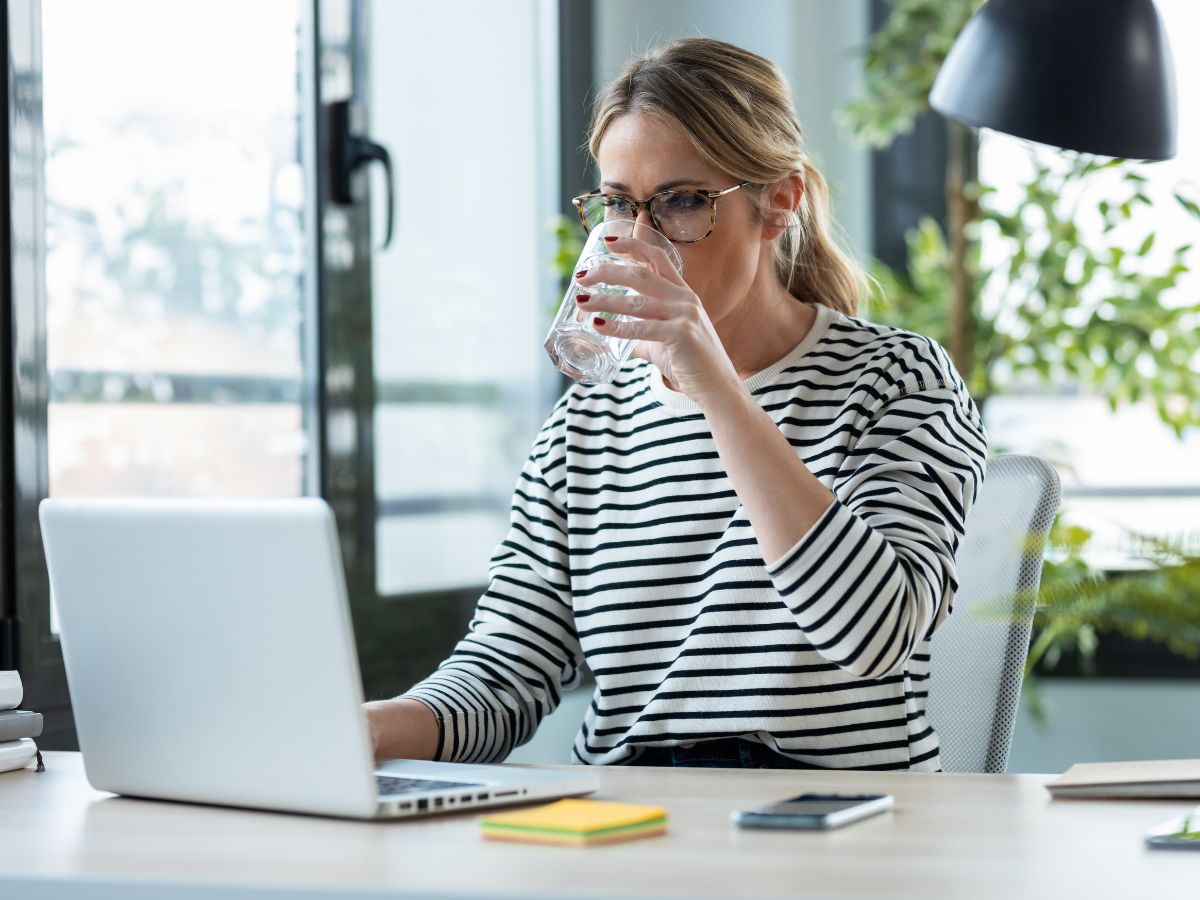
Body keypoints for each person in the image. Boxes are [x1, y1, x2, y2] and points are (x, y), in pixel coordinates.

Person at [364, 36, 986, 771]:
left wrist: (717, 389)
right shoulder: (581, 432)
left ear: (779, 201)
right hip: (635, 829)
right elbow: (503, 678)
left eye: (682, 202)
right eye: (622, 205)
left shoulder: (896, 381)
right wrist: (361, 728)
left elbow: (874, 633)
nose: (640, 240)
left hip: (838, 831)